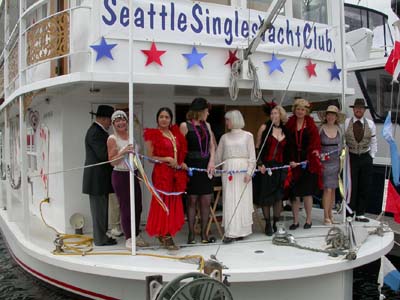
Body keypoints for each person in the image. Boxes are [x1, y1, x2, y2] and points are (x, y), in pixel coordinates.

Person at [144, 107, 188, 250]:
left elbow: (179, 153)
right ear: (157, 119)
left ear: (171, 119)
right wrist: (166, 159)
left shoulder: (174, 133)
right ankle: (165, 235)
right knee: (163, 204)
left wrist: (181, 163)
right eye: (161, 116)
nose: (164, 119)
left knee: (173, 203)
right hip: (162, 174)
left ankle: (166, 233)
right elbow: (150, 158)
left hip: (175, 174)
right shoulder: (153, 134)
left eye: (167, 117)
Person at [107, 110, 148, 249]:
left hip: (133, 173)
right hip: (120, 175)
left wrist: (141, 172)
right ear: (113, 124)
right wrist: (123, 152)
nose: (120, 123)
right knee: (126, 207)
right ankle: (129, 238)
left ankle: (136, 234)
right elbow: (112, 161)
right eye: (117, 121)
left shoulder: (131, 137)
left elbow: (136, 155)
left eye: (122, 120)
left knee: (138, 205)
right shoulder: (112, 138)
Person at [216, 110, 256, 243]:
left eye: (228, 120)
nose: (226, 122)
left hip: (243, 171)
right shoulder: (224, 137)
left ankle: (242, 231)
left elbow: (252, 157)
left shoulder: (248, 136)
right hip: (229, 172)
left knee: (242, 199)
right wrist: (214, 170)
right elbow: (218, 156)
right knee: (229, 199)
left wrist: (249, 172)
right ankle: (230, 232)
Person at [180, 98, 216, 244]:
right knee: (192, 201)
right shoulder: (185, 125)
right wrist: (181, 162)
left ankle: (203, 234)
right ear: (200, 111)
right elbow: (180, 147)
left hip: (206, 165)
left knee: (206, 200)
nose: (208, 113)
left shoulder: (207, 125)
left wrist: (212, 161)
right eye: (206, 111)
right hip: (191, 166)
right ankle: (190, 233)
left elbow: (212, 146)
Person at [82, 105, 117, 246]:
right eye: (110, 120)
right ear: (104, 119)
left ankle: (102, 236)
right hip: (96, 179)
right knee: (99, 211)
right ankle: (100, 239)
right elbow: (103, 155)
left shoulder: (98, 131)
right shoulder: (95, 133)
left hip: (100, 179)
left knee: (102, 210)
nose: (111, 123)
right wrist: (118, 149)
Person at [286, 99, 322, 230]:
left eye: (302, 109)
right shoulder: (290, 124)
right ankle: (295, 221)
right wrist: (290, 160)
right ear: (294, 110)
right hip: (293, 161)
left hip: (307, 162)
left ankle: (308, 219)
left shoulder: (311, 125)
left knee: (307, 193)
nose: (300, 111)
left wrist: (315, 152)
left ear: (306, 111)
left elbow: (316, 142)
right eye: (298, 109)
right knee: (294, 194)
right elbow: (287, 144)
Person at [254, 105, 290, 236]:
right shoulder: (264, 128)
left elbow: (288, 150)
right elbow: (257, 147)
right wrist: (260, 163)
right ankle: (268, 223)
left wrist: (289, 162)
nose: (273, 116)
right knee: (266, 196)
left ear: (281, 115)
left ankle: (276, 222)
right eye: (272, 113)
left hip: (280, 167)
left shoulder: (285, 130)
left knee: (278, 197)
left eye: (276, 113)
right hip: (266, 167)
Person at [345, 98, 377, 222]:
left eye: (361, 108)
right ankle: (349, 212)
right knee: (351, 186)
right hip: (351, 157)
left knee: (364, 185)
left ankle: (360, 213)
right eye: (356, 108)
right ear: (353, 109)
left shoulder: (370, 124)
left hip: (365, 156)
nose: (358, 110)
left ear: (364, 110)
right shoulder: (347, 122)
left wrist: (372, 156)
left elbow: (374, 141)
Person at [318, 105, 345, 225]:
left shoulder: (339, 129)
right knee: (327, 189)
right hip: (324, 161)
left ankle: (331, 213)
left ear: (336, 117)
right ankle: (325, 215)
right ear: (325, 116)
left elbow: (342, 145)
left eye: (333, 115)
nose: (330, 117)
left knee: (333, 189)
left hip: (336, 161)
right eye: (329, 114)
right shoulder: (320, 129)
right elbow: (316, 145)